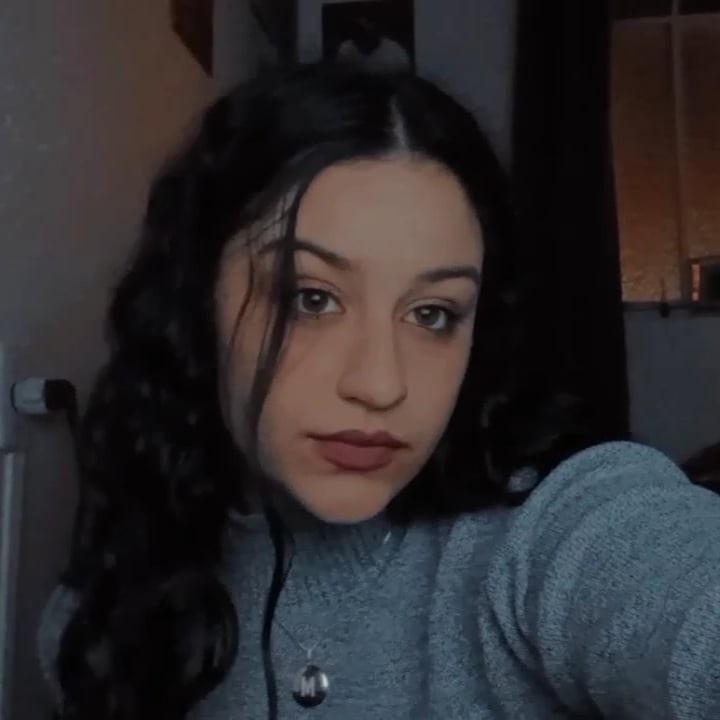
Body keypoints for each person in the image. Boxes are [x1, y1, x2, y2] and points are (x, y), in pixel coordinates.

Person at [37, 61, 720, 720]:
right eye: (311, 298)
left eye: (433, 314)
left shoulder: (544, 532)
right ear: (196, 300)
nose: (381, 384)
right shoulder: (99, 623)